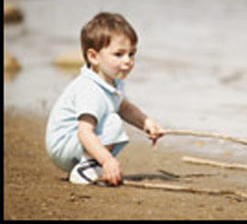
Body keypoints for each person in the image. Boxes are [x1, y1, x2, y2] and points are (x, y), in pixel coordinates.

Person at [46, 12, 163, 186]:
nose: (128, 61)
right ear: (93, 57)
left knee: (114, 116)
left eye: (131, 54)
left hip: (74, 145)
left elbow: (123, 106)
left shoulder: (112, 81)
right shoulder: (90, 89)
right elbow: (84, 132)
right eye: (119, 54)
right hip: (64, 145)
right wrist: (107, 160)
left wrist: (145, 122)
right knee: (112, 121)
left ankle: (90, 162)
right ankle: (88, 165)